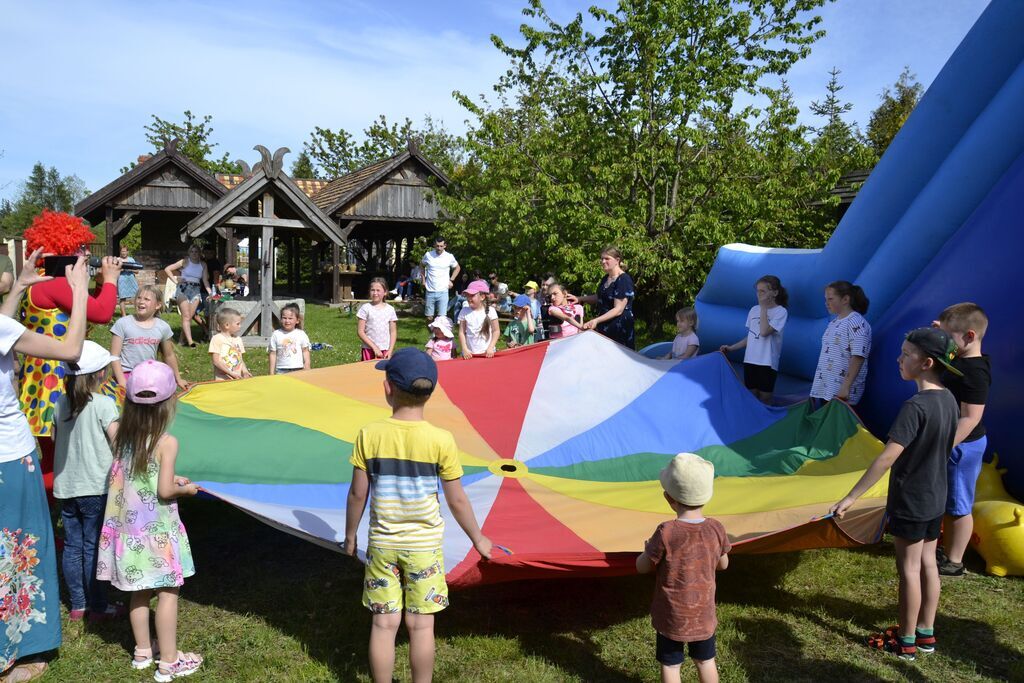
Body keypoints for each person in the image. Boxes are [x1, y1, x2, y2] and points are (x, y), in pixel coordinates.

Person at [343, 348, 492, 683]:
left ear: (387, 388)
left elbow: (357, 494)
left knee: (384, 623)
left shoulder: (370, 434)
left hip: (382, 545)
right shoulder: (442, 440)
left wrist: (351, 535)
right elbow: (456, 500)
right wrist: (478, 538)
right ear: (431, 393)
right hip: (425, 547)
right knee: (421, 624)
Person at [829, 328, 960, 661]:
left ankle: (905, 640)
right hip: (935, 498)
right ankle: (926, 634)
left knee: (909, 572)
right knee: (928, 564)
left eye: (906, 354)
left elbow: (888, 457)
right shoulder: (948, 399)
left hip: (912, 502)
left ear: (926, 362)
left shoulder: (915, 406)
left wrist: (851, 498)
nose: (898, 358)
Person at [0, 251, 91, 682]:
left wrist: (18, 289)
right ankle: (13, 651)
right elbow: (71, 349)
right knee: (17, 551)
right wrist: (79, 289)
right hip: (8, 459)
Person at [97, 360, 202, 681]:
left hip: (129, 535)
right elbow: (164, 488)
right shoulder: (167, 442)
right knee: (168, 593)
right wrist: (188, 490)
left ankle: (143, 650)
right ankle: (169, 662)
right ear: (170, 403)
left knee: (138, 592)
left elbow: (140, 476)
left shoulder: (123, 437)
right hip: (157, 534)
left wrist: (170, 477)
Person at [16, 211, 123, 495]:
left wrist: (98, 283)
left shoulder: (39, 278)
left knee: (51, 454)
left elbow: (84, 305)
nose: (85, 252)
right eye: (79, 247)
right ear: (65, 248)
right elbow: (100, 313)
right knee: (71, 451)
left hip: (38, 376)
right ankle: (65, 503)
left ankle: (50, 513)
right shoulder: (55, 282)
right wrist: (111, 279)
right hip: (62, 374)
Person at [636, 453, 730, 683]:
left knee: (671, 665)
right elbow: (724, 564)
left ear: (669, 498)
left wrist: (646, 551)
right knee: (706, 661)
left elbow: (642, 567)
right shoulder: (716, 528)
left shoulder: (666, 531)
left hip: (672, 617)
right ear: (706, 497)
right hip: (703, 615)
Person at [52, 341, 122, 623]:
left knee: (72, 545)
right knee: (94, 545)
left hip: (66, 487)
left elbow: (57, 440)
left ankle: (78, 605)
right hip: (96, 486)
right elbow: (118, 443)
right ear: (101, 375)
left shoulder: (60, 402)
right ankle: (99, 604)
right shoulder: (104, 404)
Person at [934, 303, 991, 577]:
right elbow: (948, 355)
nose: (947, 344)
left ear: (969, 336)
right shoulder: (961, 357)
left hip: (962, 446)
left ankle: (955, 560)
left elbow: (970, 418)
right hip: (953, 442)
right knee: (949, 502)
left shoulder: (975, 373)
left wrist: (946, 445)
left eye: (950, 338)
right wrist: (941, 335)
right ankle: (947, 548)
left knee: (959, 506)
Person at [719, 275, 789, 404]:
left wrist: (763, 308)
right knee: (751, 397)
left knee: (764, 398)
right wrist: (731, 348)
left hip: (767, 362)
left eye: (763, 291)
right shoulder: (753, 310)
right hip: (750, 360)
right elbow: (751, 337)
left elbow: (764, 332)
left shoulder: (781, 312)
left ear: (775, 293)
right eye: (757, 291)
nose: (759, 294)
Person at [110, 285, 188, 392]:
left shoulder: (162, 327)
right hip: (126, 374)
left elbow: (169, 355)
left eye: (146, 299)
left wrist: (178, 379)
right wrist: (122, 382)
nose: (141, 302)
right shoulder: (123, 323)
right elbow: (114, 356)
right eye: (139, 298)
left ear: (158, 305)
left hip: (149, 376)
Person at [810, 281, 871, 406]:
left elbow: (858, 356)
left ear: (845, 299)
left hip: (841, 392)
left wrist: (846, 387)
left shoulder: (856, 322)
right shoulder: (833, 323)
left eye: (831, 299)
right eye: (826, 299)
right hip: (826, 388)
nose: (826, 303)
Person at [579, 247, 636, 349]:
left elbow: (618, 309)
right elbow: (600, 297)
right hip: (605, 328)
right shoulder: (606, 278)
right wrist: (580, 299)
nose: (603, 261)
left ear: (617, 260)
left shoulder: (623, 280)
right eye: (602, 259)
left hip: (619, 330)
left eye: (607, 258)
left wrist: (596, 321)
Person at [163, 243, 211, 347]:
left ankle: (181, 341)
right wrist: (175, 281)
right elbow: (167, 269)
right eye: (192, 251)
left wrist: (211, 293)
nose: (194, 253)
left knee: (189, 317)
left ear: (199, 253)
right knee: (185, 316)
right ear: (189, 253)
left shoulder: (203, 265)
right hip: (183, 289)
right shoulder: (184, 261)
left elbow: (205, 280)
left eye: (196, 251)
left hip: (196, 290)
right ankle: (190, 342)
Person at [357, 278, 398, 361]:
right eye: (373, 290)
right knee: (367, 373)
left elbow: (393, 332)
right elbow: (360, 331)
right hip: (369, 349)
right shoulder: (365, 308)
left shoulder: (390, 309)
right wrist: (374, 347)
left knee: (383, 373)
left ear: (385, 292)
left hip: (385, 350)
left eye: (378, 290)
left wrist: (390, 350)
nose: (375, 293)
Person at [421, 237, 460, 322]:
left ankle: (440, 335)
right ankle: (432, 334)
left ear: (445, 246)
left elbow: (457, 268)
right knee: (429, 318)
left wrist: (451, 280)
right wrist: (423, 280)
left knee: (441, 318)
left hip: (443, 291)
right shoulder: (428, 255)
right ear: (434, 245)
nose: (439, 248)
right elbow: (421, 266)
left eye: (441, 246)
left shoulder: (449, 256)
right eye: (437, 246)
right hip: (430, 290)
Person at [458, 279, 499, 359]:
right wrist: (464, 348)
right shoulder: (464, 311)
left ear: (482, 297)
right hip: (469, 354)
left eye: (472, 295)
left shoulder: (491, 311)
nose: (469, 298)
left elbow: (496, 331)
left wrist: (491, 347)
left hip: (487, 354)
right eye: (467, 295)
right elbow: (461, 332)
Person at [208, 307, 251, 381]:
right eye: (238, 324)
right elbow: (216, 361)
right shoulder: (217, 339)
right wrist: (231, 373)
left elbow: (240, 359)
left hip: (237, 378)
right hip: (222, 380)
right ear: (227, 325)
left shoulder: (238, 339)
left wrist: (245, 371)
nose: (240, 326)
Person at [269, 302, 311, 375]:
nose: (287, 321)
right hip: (281, 370)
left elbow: (305, 351)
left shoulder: (301, 334)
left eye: (290, 318)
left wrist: (307, 364)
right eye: (284, 318)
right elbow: (273, 354)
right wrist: (271, 372)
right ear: (281, 319)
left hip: (298, 369)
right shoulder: (276, 334)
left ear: (297, 320)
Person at [116, 246, 140, 318]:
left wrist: (130, 270)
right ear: (120, 252)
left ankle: (138, 312)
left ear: (127, 252)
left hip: (131, 279)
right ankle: (123, 315)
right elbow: (114, 271)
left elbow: (137, 271)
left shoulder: (131, 259)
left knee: (137, 296)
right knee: (122, 298)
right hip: (122, 280)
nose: (123, 253)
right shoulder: (117, 260)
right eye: (122, 251)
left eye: (125, 251)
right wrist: (121, 270)